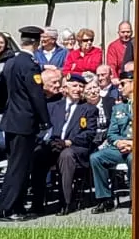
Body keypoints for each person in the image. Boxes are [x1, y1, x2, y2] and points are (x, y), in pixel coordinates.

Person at [0, 26, 54, 221]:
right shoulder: (29, 64)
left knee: (16, 164)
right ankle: (7, 208)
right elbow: (36, 94)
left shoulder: (10, 62)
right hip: (24, 122)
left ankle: (16, 206)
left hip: (12, 119)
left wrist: (3, 108)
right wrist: (46, 121)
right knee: (18, 167)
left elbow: (0, 88)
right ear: (36, 43)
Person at [39, 74, 100, 213]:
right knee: (38, 154)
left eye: (81, 86)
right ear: (65, 87)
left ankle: (65, 202)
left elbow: (89, 134)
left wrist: (69, 141)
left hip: (75, 148)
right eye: (74, 85)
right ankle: (37, 203)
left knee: (66, 155)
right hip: (53, 145)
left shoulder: (89, 109)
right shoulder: (52, 107)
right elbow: (43, 129)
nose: (78, 89)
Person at [90, 76, 133, 212]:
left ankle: (135, 199)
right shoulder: (118, 108)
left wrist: (133, 144)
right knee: (96, 157)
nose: (119, 87)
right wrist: (119, 142)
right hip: (120, 147)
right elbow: (111, 133)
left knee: (133, 159)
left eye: (123, 83)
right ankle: (105, 199)